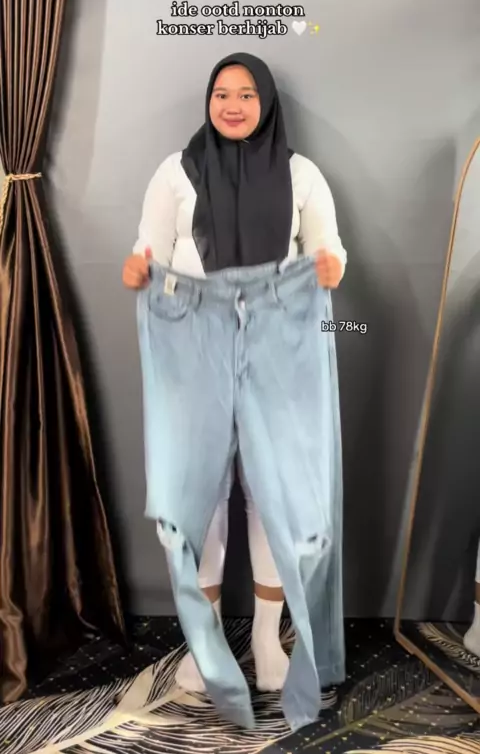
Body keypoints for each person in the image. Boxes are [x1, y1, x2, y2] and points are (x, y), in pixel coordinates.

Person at [122, 52, 347, 695]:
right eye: (222, 93)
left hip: (278, 349)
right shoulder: (176, 172)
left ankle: (269, 640)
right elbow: (149, 248)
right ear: (209, 101)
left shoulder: (301, 175)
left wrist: (330, 267)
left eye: (247, 94)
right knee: (199, 498)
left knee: (272, 492)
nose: (233, 104)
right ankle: (207, 642)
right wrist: (139, 268)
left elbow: (329, 251)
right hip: (194, 347)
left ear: (266, 103)